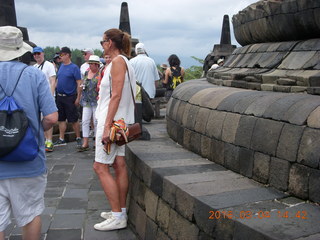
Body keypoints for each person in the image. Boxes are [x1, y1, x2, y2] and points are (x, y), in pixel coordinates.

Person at [0, 26, 58, 240]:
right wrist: (33, 129)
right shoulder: (34, 75)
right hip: (29, 160)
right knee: (30, 215)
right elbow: (52, 118)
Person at [93, 28, 136, 231]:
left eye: (103, 42)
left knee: (100, 167)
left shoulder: (118, 62)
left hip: (111, 123)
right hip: (122, 122)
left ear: (110, 42)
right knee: (119, 165)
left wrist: (107, 124)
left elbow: (116, 95)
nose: (102, 46)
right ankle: (120, 211)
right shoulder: (125, 61)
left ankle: (118, 216)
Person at [54, 47, 82, 148]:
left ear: (67, 55)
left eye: (61, 55)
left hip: (70, 97)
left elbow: (79, 83)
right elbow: (57, 80)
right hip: (60, 96)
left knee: (73, 119)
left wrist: (78, 97)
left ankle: (78, 137)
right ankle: (61, 138)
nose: (60, 57)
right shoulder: (61, 66)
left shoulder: (74, 68)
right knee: (61, 119)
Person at [33, 46, 57, 152]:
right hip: (37, 96)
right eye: (35, 54)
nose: (37, 56)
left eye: (39, 53)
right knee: (40, 119)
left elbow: (52, 81)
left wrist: (51, 96)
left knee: (48, 118)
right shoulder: (34, 67)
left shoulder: (49, 65)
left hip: (47, 96)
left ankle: (49, 140)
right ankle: (43, 139)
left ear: (43, 53)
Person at [78, 55, 100, 151]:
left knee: (96, 121)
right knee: (85, 121)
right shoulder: (87, 72)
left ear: (96, 65)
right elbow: (83, 83)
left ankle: (96, 141)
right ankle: (85, 142)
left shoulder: (100, 74)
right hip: (86, 100)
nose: (90, 65)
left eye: (91, 64)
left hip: (96, 101)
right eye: (89, 63)